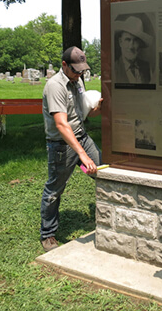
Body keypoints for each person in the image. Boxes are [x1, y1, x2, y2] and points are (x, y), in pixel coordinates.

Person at [40, 46, 102, 252]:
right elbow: (61, 124)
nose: (79, 74)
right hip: (61, 145)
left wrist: (96, 109)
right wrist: (82, 155)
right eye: (76, 70)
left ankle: (109, 217)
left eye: (82, 71)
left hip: (81, 138)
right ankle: (48, 234)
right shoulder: (55, 86)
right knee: (54, 189)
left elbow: (81, 115)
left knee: (104, 174)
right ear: (64, 65)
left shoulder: (78, 81)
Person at [114, 15, 153, 84]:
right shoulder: (114, 69)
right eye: (128, 40)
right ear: (120, 42)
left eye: (135, 40)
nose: (131, 46)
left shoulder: (146, 68)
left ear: (140, 44)